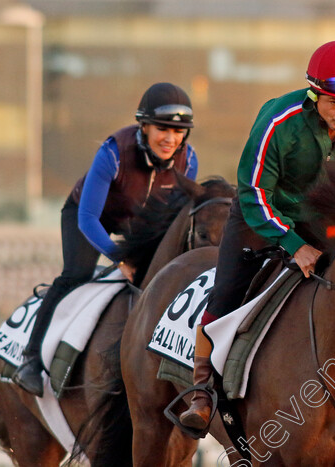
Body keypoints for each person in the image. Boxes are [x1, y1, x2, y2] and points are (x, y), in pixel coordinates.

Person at [178, 38, 335, 445]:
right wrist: (291, 243)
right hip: (262, 217)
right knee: (226, 296)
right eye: (334, 103)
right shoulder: (278, 119)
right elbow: (252, 193)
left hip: (328, 224)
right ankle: (201, 392)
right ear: (314, 92)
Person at [12, 82, 199, 397]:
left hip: (138, 222)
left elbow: (173, 222)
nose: (170, 139)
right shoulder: (113, 151)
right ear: (144, 126)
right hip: (88, 215)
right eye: (162, 129)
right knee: (77, 274)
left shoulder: (189, 161)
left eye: (179, 132)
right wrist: (121, 260)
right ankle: (30, 360)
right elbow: (88, 219)